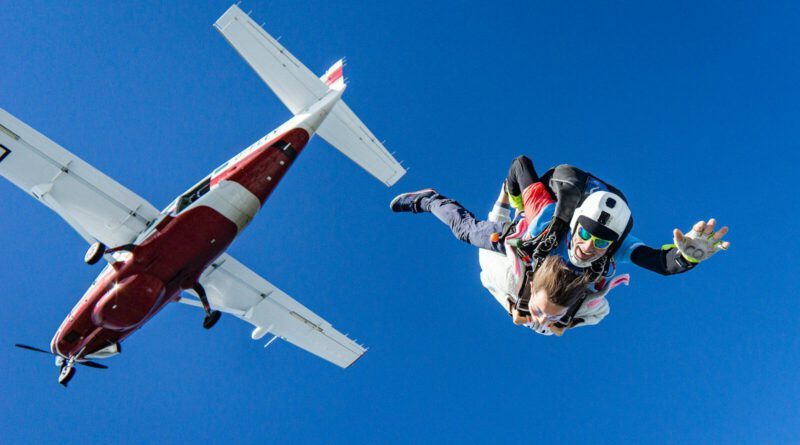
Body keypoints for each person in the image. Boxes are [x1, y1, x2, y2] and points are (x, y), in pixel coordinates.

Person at [389, 156, 730, 335]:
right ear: (575, 224)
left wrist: (687, 256)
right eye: (584, 235)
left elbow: (659, 262)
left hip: (553, 255)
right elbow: (519, 163)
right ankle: (429, 199)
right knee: (468, 232)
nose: (588, 247)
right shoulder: (544, 218)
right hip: (535, 220)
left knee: (553, 318)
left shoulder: (617, 246)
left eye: (600, 242)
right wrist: (517, 201)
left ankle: (553, 310)